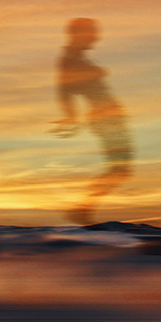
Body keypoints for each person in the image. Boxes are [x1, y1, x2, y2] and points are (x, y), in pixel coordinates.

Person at [51, 18, 133, 224]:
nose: (96, 37)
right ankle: (82, 210)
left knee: (121, 169)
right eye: (92, 33)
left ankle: (83, 210)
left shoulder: (75, 58)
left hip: (109, 118)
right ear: (79, 34)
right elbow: (64, 90)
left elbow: (67, 90)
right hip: (105, 120)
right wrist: (71, 117)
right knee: (120, 169)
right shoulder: (70, 59)